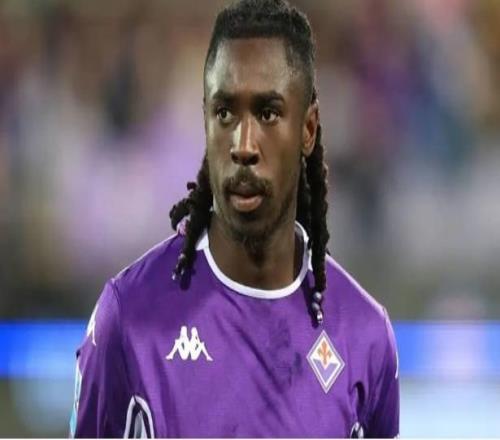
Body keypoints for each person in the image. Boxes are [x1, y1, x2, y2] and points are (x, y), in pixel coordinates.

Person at [70, 0, 399, 437]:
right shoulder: (130, 317)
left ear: (308, 129)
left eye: (267, 113)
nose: (243, 145)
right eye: (225, 112)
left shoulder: (364, 335)